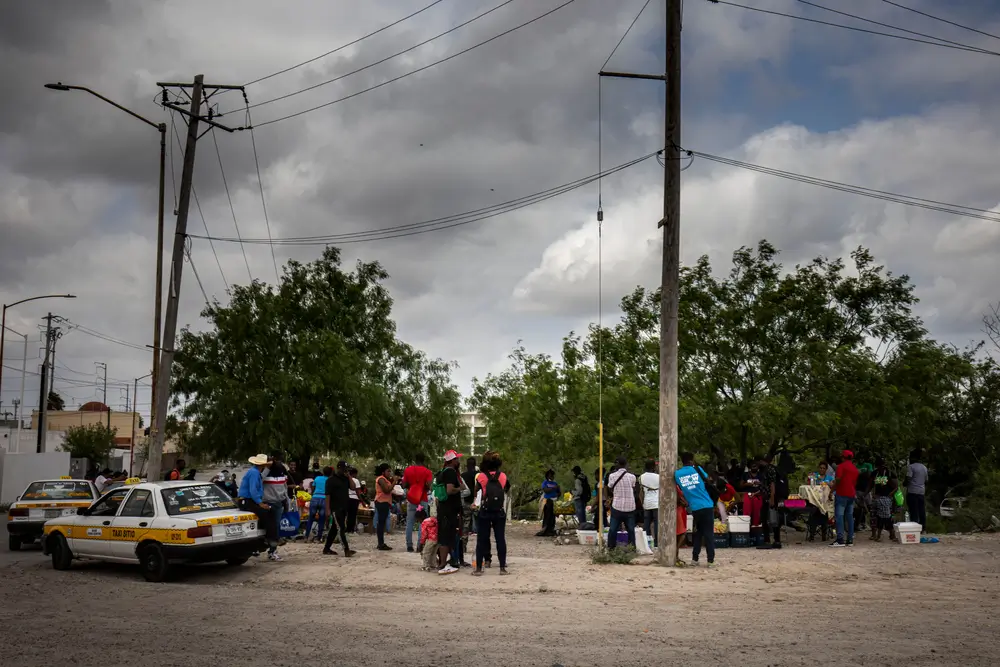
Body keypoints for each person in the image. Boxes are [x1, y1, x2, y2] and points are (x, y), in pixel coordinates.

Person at [675, 452, 716, 567]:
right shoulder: (697, 469)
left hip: (694, 508)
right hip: (707, 505)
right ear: (692, 460)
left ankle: (695, 559)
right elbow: (709, 479)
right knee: (708, 533)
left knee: (698, 532)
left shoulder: (677, 474)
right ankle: (710, 560)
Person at [473, 451, 510, 576]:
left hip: (485, 511)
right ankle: (502, 568)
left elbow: (476, 491)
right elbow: (506, 489)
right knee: (500, 539)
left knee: (482, 539)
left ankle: (478, 568)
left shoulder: (481, 477)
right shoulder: (503, 476)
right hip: (499, 511)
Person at [238, 454, 276, 557]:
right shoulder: (254, 473)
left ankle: (268, 537)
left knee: (270, 511)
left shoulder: (256, 472)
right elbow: (253, 490)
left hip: (251, 500)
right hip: (247, 500)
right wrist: (260, 503)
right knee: (265, 512)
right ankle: (270, 539)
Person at [435, 450, 464, 575]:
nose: (458, 461)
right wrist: (460, 488)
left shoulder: (442, 472)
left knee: (443, 535)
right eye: (457, 459)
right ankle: (443, 564)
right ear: (452, 461)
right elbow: (450, 490)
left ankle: (444, 562)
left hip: (443, 508)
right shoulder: (451, 472)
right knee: (447, 535)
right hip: (449, 509)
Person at [402, 453, 434, 553]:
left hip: (411, 498)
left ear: (415, 460)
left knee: (410, 522)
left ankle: (409, 546)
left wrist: (412, 486)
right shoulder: (427, 471)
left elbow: (404, 484)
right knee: (422, 523)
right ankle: (420, 545)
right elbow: (428, 486)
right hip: (422, 499)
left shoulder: (408, 470)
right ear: (424, 460)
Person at [323, 461, 356, 557]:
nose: (345, 471)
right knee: (341, 528)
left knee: (334, 528)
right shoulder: (331, 480)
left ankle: (326, 548)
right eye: (344, 469)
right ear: (339, 468)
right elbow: (327, 495)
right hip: (335, 508)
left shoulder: (346, 479)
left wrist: (349, 476)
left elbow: (353, 487)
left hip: (344, 507)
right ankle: (346, 550)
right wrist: (327, 509)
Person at [829, 450, 860, 547]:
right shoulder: (855, 469)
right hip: (851, 494)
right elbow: (854, 483)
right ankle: (850, 539)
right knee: (849, 517)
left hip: (842, 494)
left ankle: (840, 539)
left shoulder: (841, 467)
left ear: (843, 457)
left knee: (839, 516)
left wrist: (831, 490)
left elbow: (838, 480)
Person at [261, 455, 289, 561]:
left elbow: (284, 489)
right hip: (266, 503)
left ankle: (272, 551)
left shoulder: (282, 475)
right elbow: (259, 479)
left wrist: (287, 502)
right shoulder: (264, 474)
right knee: (265, 527)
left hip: (278, 504)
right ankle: (259, 547)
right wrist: (267, 467)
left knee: (276, 527)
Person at [606, 457, 637, 550]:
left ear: (617, 464)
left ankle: (611, 549)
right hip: (630, 507)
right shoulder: (632, 477)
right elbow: (633, 487)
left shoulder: (612, 476)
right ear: (626, 464)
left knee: (613, 529)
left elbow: (609, 487)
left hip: (617, 506)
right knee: (631, 530)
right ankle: (632, 549)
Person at [870, 457, 897, 542]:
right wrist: (866, 493)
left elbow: (895, 487)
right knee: (874, 516)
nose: (880, 468)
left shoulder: (889, 474)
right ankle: (874, 534)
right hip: (877, 498)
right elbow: (870, 484)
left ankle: (889, 535)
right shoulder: (875, 473)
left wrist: (890, 495)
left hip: (885, 499)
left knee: (885, 517)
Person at [460, 457, 478, 565]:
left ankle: (463, 547)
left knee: (465, 527)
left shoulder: (463, 476)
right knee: (479, 527)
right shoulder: (478, 475)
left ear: (467, 465)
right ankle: (479, 550)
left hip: (466, 503)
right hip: (477, 504)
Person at [304, 466, 330, 543]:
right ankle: (319, 538)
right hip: (324, 499)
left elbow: (313, 486)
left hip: (315, 498)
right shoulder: (329, 480)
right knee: (321, 519)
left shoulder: (317, 478)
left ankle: (306, 537)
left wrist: (313, 493)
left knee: (310, 518)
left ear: (323, 472)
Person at [905, 449, 929, 531]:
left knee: (913, 510)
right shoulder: (924, 468)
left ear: (913, 458)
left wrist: (905, 484)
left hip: (912, 491)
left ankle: (914, 528)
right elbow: (926, 480)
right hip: (921, 492)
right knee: (921, 510)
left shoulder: (911, 467)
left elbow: (908, 478)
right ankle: (923, 528)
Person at [638, 460, 660, 547]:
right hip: (656, 503)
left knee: (646, 523)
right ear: (653, 467)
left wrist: (642, 503)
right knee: (656, 523)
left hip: (647, 503)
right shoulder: (659, 477)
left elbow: (641, 493)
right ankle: (657, 542)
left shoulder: (641, 477)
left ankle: (646, 542)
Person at [373, 463, 394, 551]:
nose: (389, 473)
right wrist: (394, 482)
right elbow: (386, 490)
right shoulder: (381, 479)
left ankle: (381, 543)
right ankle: (380, 543)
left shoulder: (385, 479)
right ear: (383, 472)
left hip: (384, 502)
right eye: (388, 471)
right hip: (382, 501)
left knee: (382, 522)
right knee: (381, 522)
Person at [740, 459, 765, 528]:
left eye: (756, 466)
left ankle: (756, 526)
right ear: (749, 467)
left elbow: (765, 484)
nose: (754, 467)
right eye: (753, 466)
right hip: (748, 494)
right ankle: (746, 526)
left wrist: (759, 483)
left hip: (757, 495)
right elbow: (741, 485)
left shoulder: (761, 475)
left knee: (757, 512)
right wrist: (747, 484)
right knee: (747, 511)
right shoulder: (745, 474)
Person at [537, 469, 560, 537]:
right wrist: (553, 488)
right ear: (547, 476)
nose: (552, 476)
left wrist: (558, 492)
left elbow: (559, 492)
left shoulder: (555, 483)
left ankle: (551, 530)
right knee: (547, 515)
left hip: (554, 500)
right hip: (547, 500)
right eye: (551, 475)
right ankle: (545, 530)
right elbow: (546, 490)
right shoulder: (545, 483)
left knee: (553, 516)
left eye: (553, 475)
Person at [675, 484, 689, 567]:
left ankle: (676, 555)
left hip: (680, 510)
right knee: (682, 533)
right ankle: (676, 553)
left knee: (679, 534)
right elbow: (677, 498)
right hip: (679, 510)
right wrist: (683, 502)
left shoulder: (676, 486)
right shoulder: (675, 486)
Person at [346, 467, 362, 533]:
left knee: (346, 514)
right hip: (354, 499)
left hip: (346, 498)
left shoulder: (346, 479)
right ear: (355, 474)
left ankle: (346, 528)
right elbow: (358, 492)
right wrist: (362, 501)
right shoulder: (356, 480)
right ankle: (351, 529)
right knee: (352, 515)